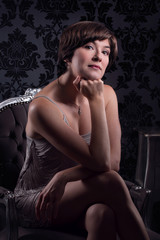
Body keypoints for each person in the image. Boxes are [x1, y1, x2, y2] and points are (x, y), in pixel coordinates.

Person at [14, 21, 149, 240]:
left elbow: (113, 163)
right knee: (112, 182)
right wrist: (94, 101)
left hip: (75, 190)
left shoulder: (107, 94)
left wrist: (65, 176)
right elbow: (104, 166)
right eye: (89, 47)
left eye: (105, 52)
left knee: (101, 214)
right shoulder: (43, 107)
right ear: (67, 56)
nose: (99, 57)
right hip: (40, 198)